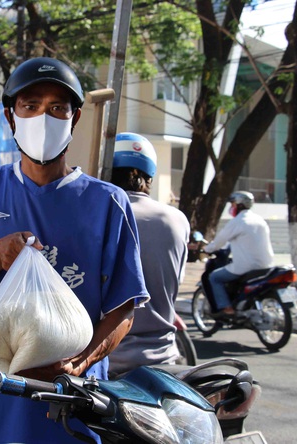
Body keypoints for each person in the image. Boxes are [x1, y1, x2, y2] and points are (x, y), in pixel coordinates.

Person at [0, 57, 149, 443]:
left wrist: (77, 364)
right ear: (10, 117)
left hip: (72, 402)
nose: (43, 118)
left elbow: (123, 310)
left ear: (75, 118)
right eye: (30, 106)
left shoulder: (108, 203)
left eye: (57, 108)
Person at [107, 132, 191, 377]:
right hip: (165, 361)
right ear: (149, 175)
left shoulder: (99, 214)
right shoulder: (177, 219)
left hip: (107, 364)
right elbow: (170, 281)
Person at [203, 191, 274, 317]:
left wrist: (207, 249)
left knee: (214, 277)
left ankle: (227, 308)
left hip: (246, 266)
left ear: (238, 205)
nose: (231, 207)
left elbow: (219, 241)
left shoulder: (238, 221)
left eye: (233, 204)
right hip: (266, 265)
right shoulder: (259, 220)